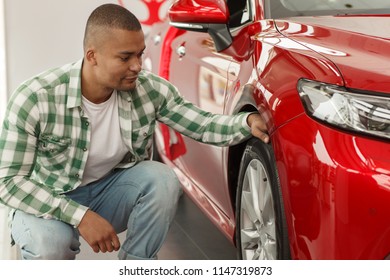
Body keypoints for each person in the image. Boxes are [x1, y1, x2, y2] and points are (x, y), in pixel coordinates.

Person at [0, 3, 269, 260]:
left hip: (108, 191)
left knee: (161, 179)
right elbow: (7, 182)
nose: (137, 66)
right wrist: (80, 216)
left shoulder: (148, 90)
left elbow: (201, 124)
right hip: (50, 198)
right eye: (125, 57)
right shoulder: (36, 98)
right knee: (50, 247)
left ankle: (136, 266)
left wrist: (246, 123)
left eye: (139, 54)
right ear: (92, 56)